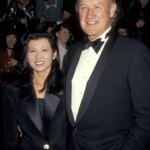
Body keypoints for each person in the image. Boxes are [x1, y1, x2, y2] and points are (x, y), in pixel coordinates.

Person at [64, 0, 150, 149]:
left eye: (97, 6)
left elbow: (146, 117)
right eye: (84, 7)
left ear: (112, 10)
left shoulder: (134, 51)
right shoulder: (71, 52)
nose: (89, 14)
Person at [3, 32, 66, 150]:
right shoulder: (13, 90)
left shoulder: (69, 86)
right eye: (32, 51)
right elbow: (9, 137)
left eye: (44, 50)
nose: (38, 56)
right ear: (26, 56)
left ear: (54, 54)